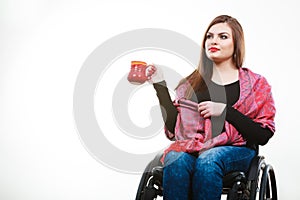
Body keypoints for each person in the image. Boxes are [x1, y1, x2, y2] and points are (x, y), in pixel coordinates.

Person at [146, 15, 276, 200]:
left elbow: (263, 135)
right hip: (194, 147)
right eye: (209, 36)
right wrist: (159, 85)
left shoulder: (256, 85)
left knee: (209, 159)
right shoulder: (192, 84)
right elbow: (176, 130)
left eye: (223, 36)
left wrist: (224, 111)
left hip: (238, 150)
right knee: (175, 158)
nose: (213, 41)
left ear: (236, 43)